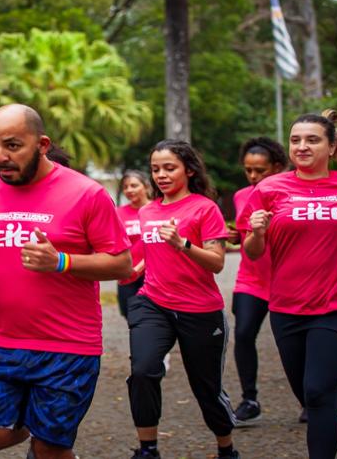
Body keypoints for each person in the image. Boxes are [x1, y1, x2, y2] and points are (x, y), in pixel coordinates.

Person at [0, 104, 132, 459]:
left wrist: (61, 261)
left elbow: (122, 264)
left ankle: (41, 434)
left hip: (67, 346)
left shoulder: (87, 194)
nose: (0, 157)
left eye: (12, 146)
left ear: (41, 144)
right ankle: (27, 423)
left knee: (50, 449)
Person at [243, 110, 337, 458]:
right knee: (310, 392)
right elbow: (252, 252)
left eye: (312, 140)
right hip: (286, 307)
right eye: (296, 140)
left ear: (331, 146)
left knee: (317, 393)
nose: (302, 146)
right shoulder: (269, 189)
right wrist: (257, 230)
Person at [127, 140, 238, 459]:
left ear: (189, 170)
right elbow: (155, 251)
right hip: (153, 302)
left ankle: (226, 448)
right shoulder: (147, 210)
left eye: (169, 168)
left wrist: (183, 244)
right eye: (155, 169)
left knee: (207, 389)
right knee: (143, 371)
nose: (160, 175)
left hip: (199, 309)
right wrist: (135, 269)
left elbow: (217, 262)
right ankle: (147, 449)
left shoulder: (205, 208)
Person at [227, 137, 287, 426]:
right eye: (248, 170)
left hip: (288, 280)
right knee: (244, 334)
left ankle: (309, 400)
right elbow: (246, 232)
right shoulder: (241, 196)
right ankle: (249, 399)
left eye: (260, 170)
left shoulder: (291, 194)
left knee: (293, 342)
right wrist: (236, 236)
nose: (253, 176)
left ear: (277, 167)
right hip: (251, 279)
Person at [116, 171, 152, 319]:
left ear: (146, 187)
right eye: (125, 187)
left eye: (134, 185)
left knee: (154, 319)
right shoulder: (118, 213)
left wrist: (139, 268)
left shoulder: (157, 210)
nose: (129, 190)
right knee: (131, 317)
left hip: (152, 275)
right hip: (127, 275)